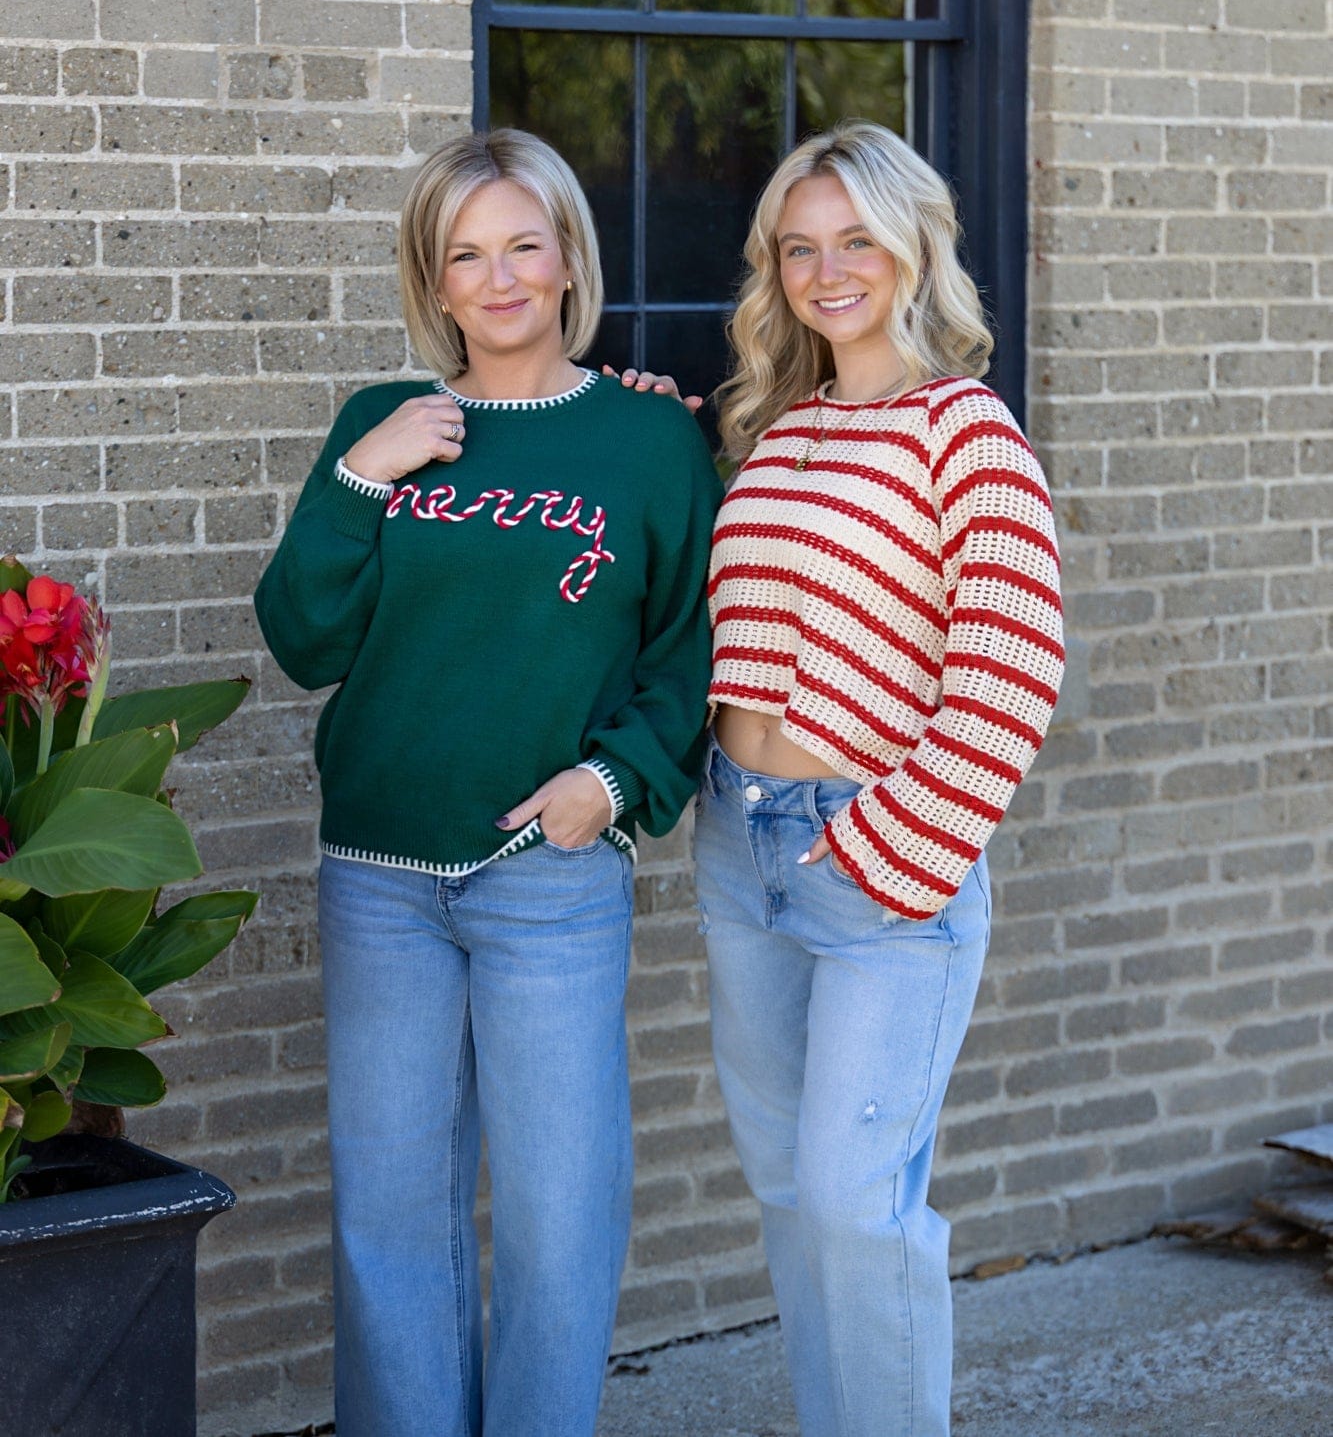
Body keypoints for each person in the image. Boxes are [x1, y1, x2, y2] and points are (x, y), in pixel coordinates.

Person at [253, 128, 720, 1437]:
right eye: (466, 255)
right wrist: (363, 476)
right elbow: (303, 640)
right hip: (380, 876)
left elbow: (688, 652)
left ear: (569, 257)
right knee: (390, 1214)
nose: (500, 278)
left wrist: (611, 784)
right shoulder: (383, 425)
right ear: (434, 280)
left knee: (561, 1218)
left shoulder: (649, 438)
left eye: (524, 245)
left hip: (546, 877)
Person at [698, 122, 1064, 1437]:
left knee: (857, 1201)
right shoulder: (777, 429)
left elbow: (1012, 667)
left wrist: (892, 842)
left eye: (855, 239)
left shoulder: (965, 431)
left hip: (877, 858)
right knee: (792, 1194)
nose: (826, 270)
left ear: (914, 247)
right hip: (738, 844)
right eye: (798, 249)